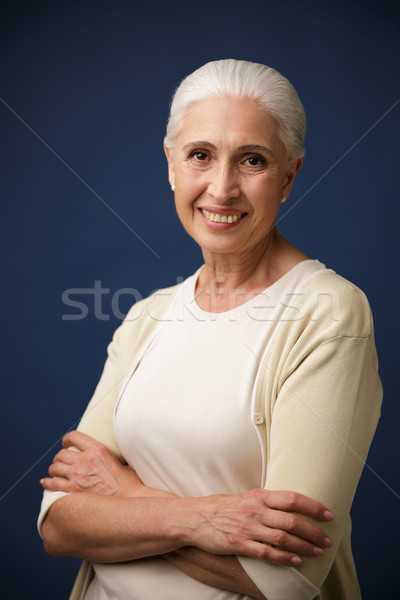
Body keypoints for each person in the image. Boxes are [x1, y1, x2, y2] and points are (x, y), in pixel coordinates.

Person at [38, 59, 382, 600]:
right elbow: (59, 523)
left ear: (289, 176)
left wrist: (123, 496)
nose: (222, 189)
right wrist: (199, 519)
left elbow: (284, 577)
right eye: (201, 155)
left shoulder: (329, 313)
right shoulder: (147, 316)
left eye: (252, 161)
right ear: (172, 165)